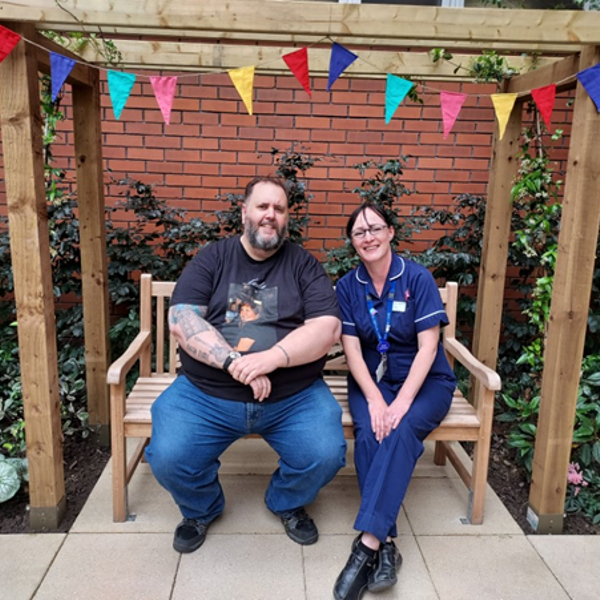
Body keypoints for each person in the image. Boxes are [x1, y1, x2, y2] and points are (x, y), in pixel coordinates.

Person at [145, 176, 347, 554]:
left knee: (324, 453)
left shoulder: (303, 265)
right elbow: (182, 320)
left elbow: (327, 328)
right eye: (262, 206)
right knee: (169, 456)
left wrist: (270, 360)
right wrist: (236, 363)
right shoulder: (212, 258)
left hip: (292, 395)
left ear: (287, 218)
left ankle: (286, 502)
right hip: (206, 393)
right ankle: (200, 509)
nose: (271, 215)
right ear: (244, 212)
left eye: (280, 209)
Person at [333, 203, 456, 600]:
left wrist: (400, 403)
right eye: (359, 232)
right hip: (373, 379)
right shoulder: (348, 286)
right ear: (352, 243)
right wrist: (374, 397)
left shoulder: (416, 278)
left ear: (390, 233)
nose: (368, 237)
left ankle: (368, 545)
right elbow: (352, 350)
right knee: (369, 433)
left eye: (375, 228)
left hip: (425, 382)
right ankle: (387, 545)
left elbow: (428, 347)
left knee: (399, 431)